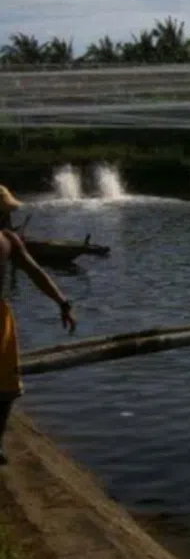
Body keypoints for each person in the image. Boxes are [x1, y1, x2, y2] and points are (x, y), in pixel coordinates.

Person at [0, 185, 77, 465]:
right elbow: (36, 273)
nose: (8, 217)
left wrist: (63, 302)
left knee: (7, 387)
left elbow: (36, 273)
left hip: (1, 317)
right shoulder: (9, 240)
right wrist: (63, 304)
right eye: (5, 212)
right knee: (6, 388)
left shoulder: (9, 241)